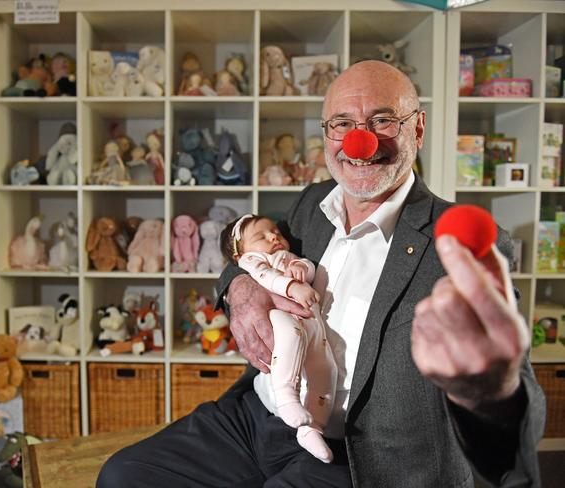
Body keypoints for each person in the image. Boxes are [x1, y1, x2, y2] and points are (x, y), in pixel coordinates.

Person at [97, 60, 546, 488]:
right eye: (342, 124)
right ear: (327, 134)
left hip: (360, 456)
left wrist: (491, 387)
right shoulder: (312, 203)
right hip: (262, 416)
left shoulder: (462, 243)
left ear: (419, 129)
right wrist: (238, 287)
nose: (359, 142)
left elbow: (519, 418)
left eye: (382, 120)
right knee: (123, 476)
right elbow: (248, 246)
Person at [220, 213, 337, 463]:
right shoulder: (254, 260)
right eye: (261, 236)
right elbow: (265, 276)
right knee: (290, 339)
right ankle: (286, 397)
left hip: (311, 323)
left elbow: (310, 268)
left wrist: (302, 268)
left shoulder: (288, 256)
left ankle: (312, 427)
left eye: (275, 232)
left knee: (325, 368)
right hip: (281, 317)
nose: (273, 236)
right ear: (239, 255)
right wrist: (292, 286)